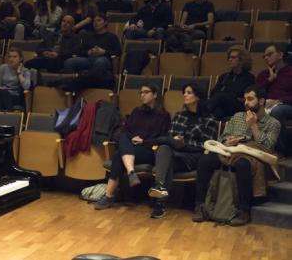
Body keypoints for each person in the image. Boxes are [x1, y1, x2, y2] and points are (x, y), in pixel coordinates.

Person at [193, 86, 281, 226]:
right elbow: (223, 138)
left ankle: (243, 211)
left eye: (250, 99)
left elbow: (267, 147)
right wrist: (228, 141)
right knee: (205, 160)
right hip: (230, 151)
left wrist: (253, 126)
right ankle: (200, 206)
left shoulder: (273, 123)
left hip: (253, 156)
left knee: (242, 164)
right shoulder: (237, 117)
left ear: (262, 101)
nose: (246, 102)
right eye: (245, 99)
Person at [94, 84, 171, 210]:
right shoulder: (137, 111)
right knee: (123, 137)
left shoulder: (164, 116)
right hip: (131, 147)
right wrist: (133, 138)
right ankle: (131, 172)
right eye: (141, 93)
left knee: (118, 155)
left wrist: (143, 140)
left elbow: (162, 139)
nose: (142, 95)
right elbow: (126, 130)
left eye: (146, 92)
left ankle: (108, 196)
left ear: (155, 94)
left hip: (148, 150)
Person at [148, 83, 218, 218]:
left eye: (189, 92)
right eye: (184, 92)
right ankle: (160, 187)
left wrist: (182, 142)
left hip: (194, 157)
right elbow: (170, 138)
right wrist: (174, 139)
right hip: (177, 155)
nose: (185, 95)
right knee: (164, 149)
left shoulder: (209, 119)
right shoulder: (179, 116)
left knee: (165, 153)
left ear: (197, 97)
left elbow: (207, 144)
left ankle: (159, 203)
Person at [256, 43, 292, 155]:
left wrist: (279, 101)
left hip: (286, 105)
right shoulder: (264, 74)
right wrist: (270, 80)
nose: (266, 57)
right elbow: (254, 92)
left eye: (270, 54)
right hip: (265, 105)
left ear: (280, 55)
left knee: (277, 111)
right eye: (264, 56)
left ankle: (279, 150)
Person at [207, 45, 255, 120]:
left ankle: (201, 113)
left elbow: (244, 96)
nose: (230, 59)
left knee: (219, 96)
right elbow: (213, 93)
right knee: (217, 112)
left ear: (242, 60)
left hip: (238, 106)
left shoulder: (249, 77)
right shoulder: (224, 76)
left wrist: (227, 94)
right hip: (223, 105)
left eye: (233, 57)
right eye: (229, 57)